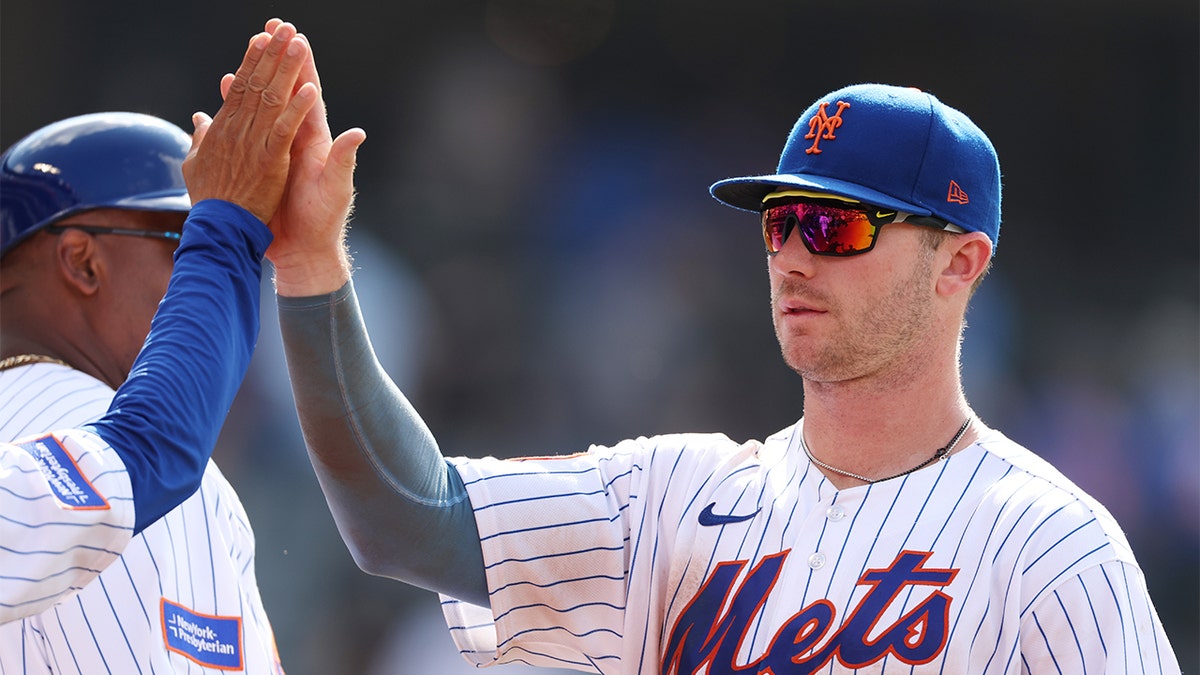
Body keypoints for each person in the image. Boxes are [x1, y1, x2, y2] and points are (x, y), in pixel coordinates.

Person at [271, 83, 1181, 672]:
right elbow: (402, 518)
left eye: (837, 228)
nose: (792, 257)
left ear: (958, 263)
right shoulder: (673, 494)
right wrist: (312, 263)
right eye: (780, 223)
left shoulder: (1053, 548)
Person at [0, 19, 364, 671]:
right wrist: (226, 227)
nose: (209, 271)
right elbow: (150, 450)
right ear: (82, 262)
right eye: (181, 242)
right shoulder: (112, 449)